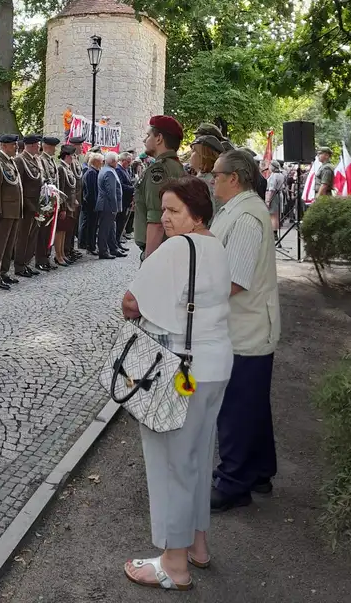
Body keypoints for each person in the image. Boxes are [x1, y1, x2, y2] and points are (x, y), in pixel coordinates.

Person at [121, 176, 233, 591]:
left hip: (179, 371)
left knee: (171, 465)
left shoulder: (176, 249)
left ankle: (174, 564)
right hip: (216, 362)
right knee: (198, 458)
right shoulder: (216, 246)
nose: (165, 218)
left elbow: (130, 302)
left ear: (197, 213)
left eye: (174, 211)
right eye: (163, 209)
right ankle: (197, 546)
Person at [209, 149, 280, 512]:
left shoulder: (247, 217)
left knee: (236, 406)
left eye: (217, 174)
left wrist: (196, 295)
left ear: (233, 178)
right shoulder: (239, 209)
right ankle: (260, 471)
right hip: (247, 324)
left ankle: (234, 482)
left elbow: (234, 281)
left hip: (244, 327)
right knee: (252, 403)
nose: (212, 179)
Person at [134, 115, 186, 259]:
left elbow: (157, 221)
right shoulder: (175, 166)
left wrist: (149, 262)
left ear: (159, 138)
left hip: (160, 248)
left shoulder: (159, 170)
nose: (145, 140)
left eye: (148, 135)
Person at [0, 134, 23, 289]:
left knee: (8, 244)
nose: (16, 147)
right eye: (13, 145)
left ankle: (4, 272)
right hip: (3, 210)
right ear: (4, 145)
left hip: (13, 210)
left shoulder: (9, 161)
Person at [14, 135, 43, 278]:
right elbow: (19, 185)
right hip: (26, 204)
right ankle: (19, 266)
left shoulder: (34, 159)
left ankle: (26, 263)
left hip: (36, 203)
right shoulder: (20, 160)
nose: (39, 147)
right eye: (37, 145)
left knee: (32, 236)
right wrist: (25, 204)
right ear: (30, 145)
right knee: (23, 236)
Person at [36, 136, 60, 271]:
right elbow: (44, 179)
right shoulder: (41, 160)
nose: (55, 149)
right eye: (53, 147)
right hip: (45, 201)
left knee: (50, 230)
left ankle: (46, 257)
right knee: (43, 232)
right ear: (47, 146)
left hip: (52, 200)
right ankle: (40, 259)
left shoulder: (50, 160)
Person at [96, 151, 124, 259]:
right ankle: (103, 251)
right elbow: (111, 192)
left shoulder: (107, 170)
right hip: (107, 205)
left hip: (107, 204)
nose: (117, 162)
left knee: (111, 227)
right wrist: (114, 207)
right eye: (116, 160)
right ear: (113, 161)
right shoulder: (109, 172)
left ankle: (113, 248)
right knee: (105, 229)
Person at [55, 144, 78, 267]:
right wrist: (62, 207)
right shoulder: (61, 168)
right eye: (73, 155)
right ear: (68, 156)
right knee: (60, 231)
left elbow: (72, 188)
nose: (74, 158)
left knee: (64, 230)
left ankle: (62, 253)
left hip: (70, 204)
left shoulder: (68, 168)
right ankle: (58, 255)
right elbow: (61, 189)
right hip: (65, 205)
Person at [64, 135, 86, 261]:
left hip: (77, 197)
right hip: (72, 199)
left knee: (73, 227)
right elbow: (71, 181)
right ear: (74, 146)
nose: (82, 147)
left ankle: (70, 248)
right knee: (69, 227)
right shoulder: (71, 161)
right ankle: (67, 250)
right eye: (80, 145)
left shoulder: (76, 160)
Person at [189, 134, 224, 209]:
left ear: (204, 156)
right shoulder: (212, 179)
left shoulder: (203, 183)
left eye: (194, 150)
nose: (190, 154)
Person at [81, 152, 103, 255]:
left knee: (93, 226)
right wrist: (95, 205)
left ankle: (92, 245)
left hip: (93, 204)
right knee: (91, 226)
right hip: (91, 205)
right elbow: (91, 192)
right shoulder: (91, 173)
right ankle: (90, 246)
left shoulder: (94, 172)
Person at [115, 153, 135, 245]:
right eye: (128, 162)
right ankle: (116, 241)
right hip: (122, 200)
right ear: (123, 161)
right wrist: (133, 188)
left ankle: (118, 241)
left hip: (126, 200)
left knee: (122, 221)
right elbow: (120, 186)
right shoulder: (118, 170)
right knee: (120, 221)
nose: (129, 164)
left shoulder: (125, 169)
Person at [265, 160, 286, 242]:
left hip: (274, 196)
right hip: (279, 194)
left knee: (273, 216)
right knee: (276, 216)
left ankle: (274, 234)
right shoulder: (281, 175)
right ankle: (275, 233)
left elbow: (271, 189)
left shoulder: (274, 176)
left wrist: (268, 200)